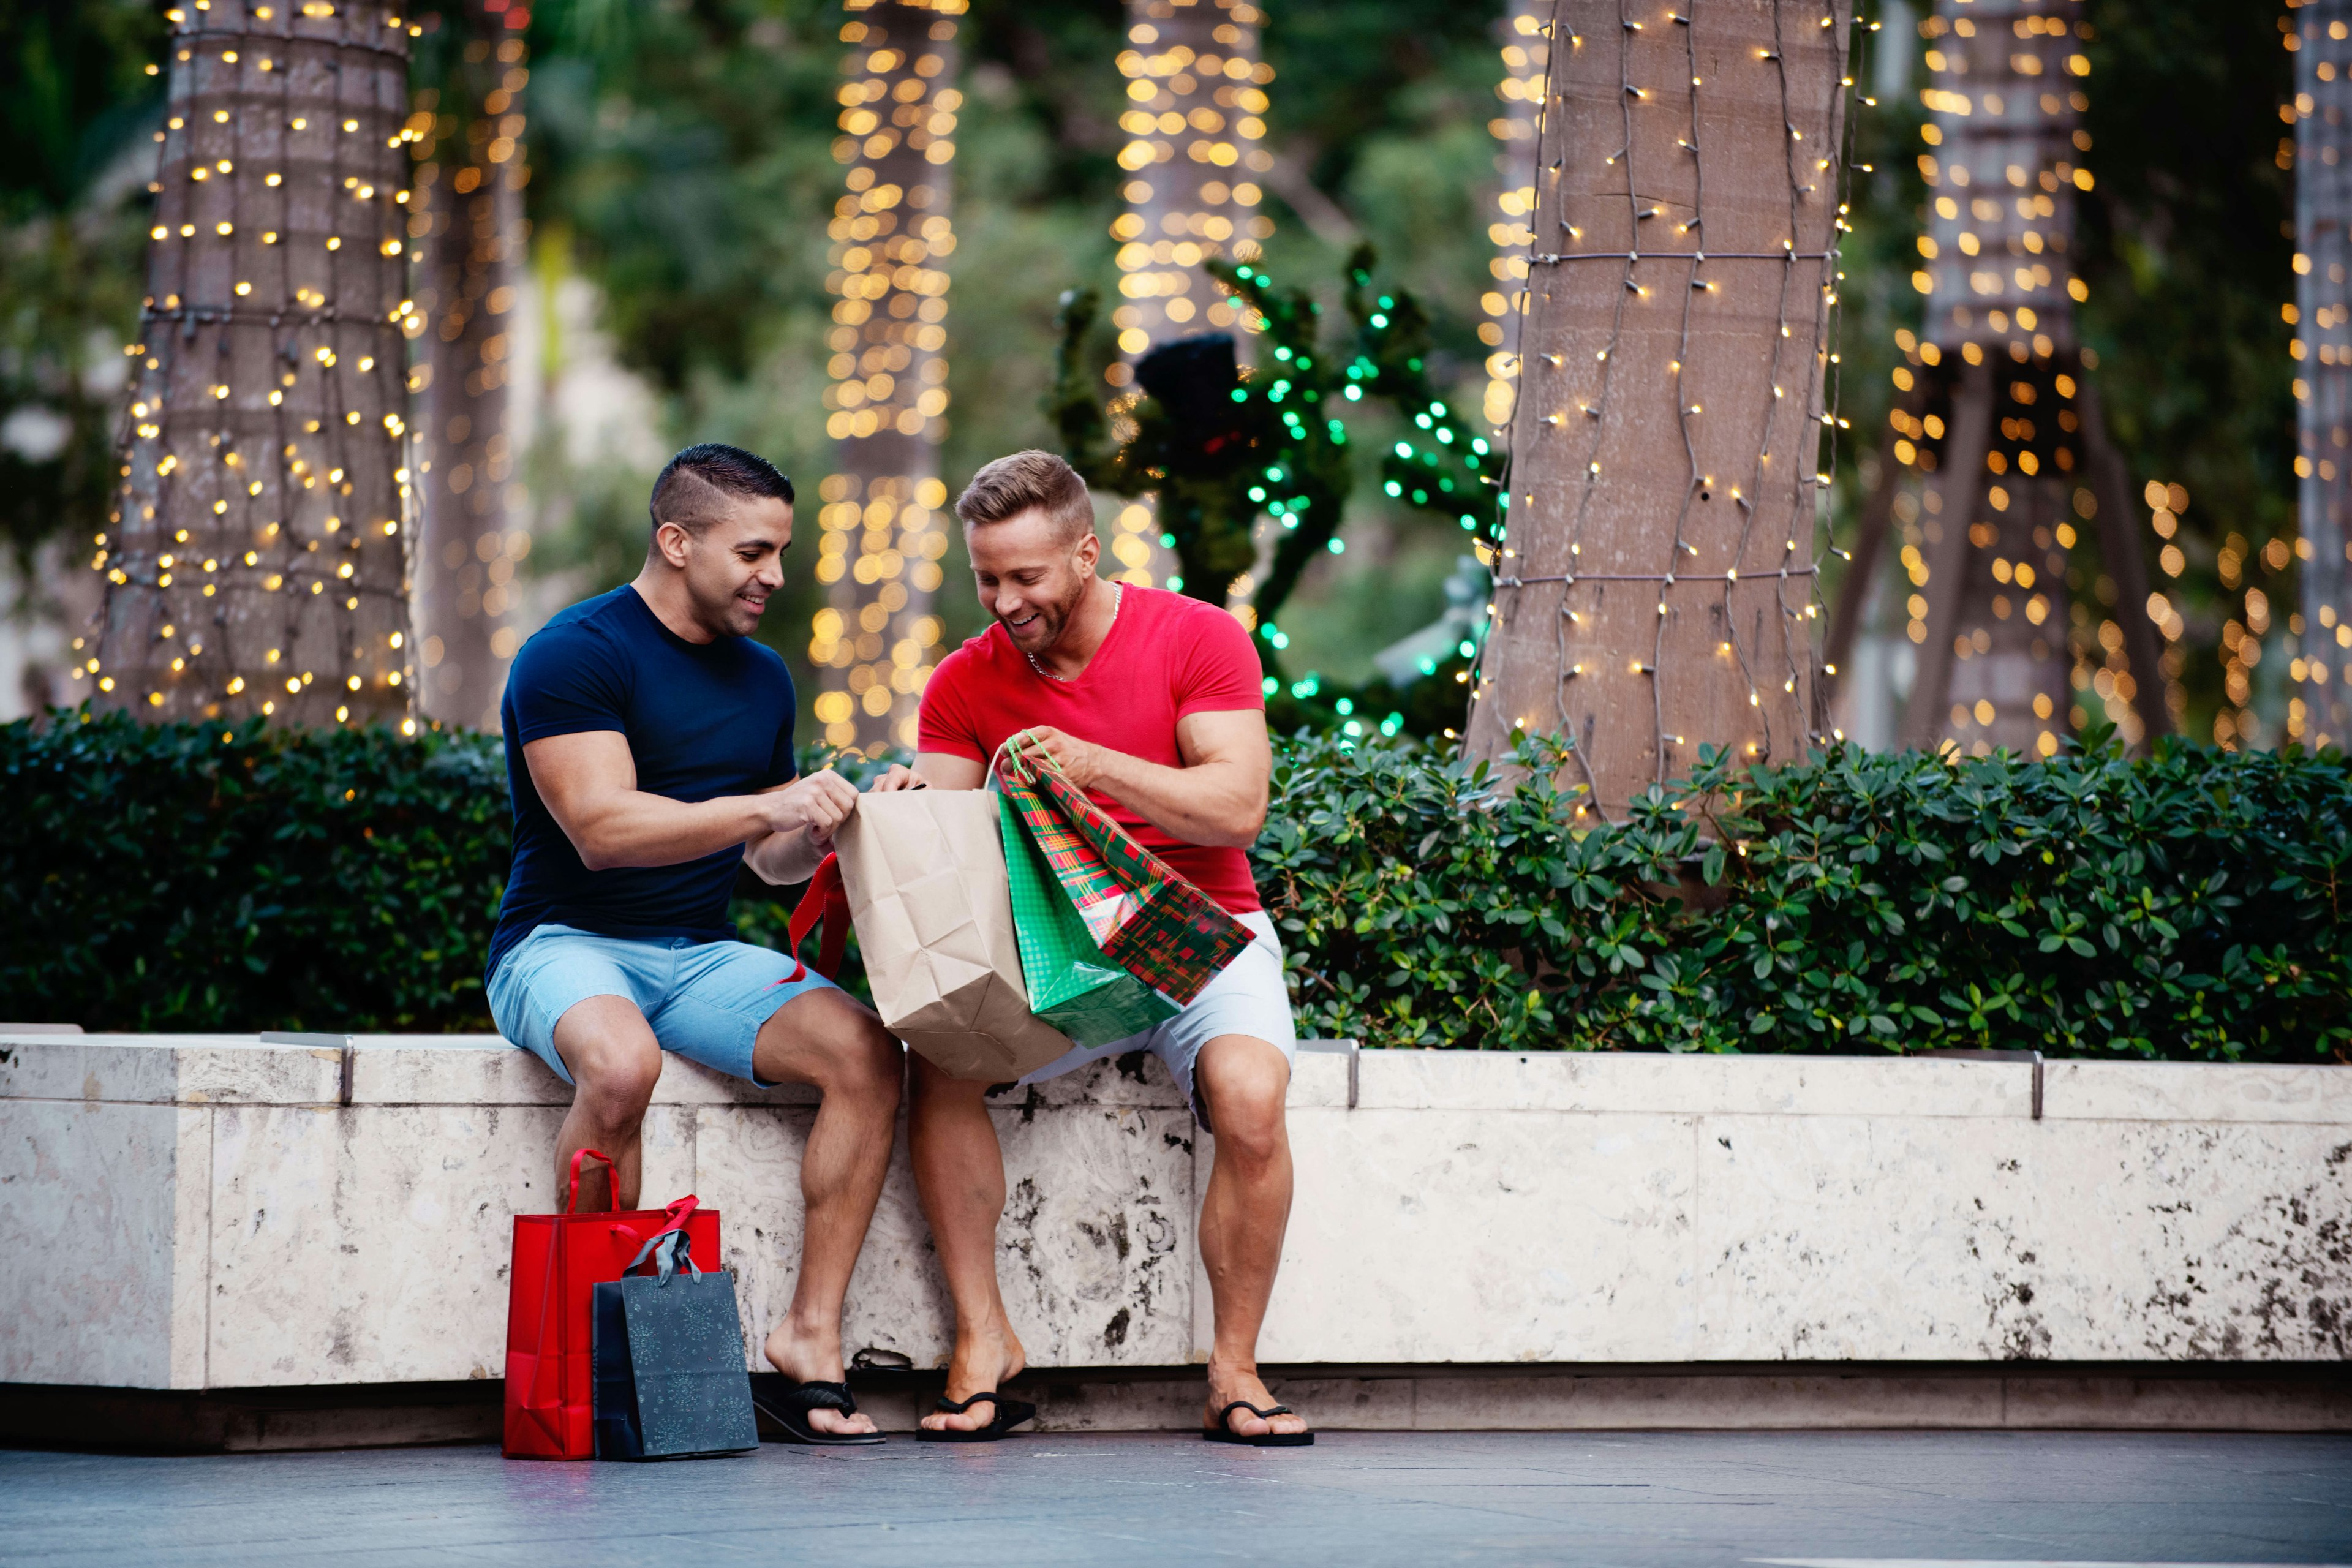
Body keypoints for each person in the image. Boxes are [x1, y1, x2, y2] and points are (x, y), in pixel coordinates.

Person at [876, 450, 1312, 1447]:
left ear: (1086, 552)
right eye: (987, 578)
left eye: (1027, 578)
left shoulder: (1197, 637)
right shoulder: (964, 680)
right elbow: (950, 844)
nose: (1004, 601)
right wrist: (906, 808)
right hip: (1054, 948)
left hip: (1200, 928)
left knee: (1250, 1100)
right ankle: (985, 1341)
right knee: (938, 1060)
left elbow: (1237, 808)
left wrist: (1092, 765)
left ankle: (1235, 1373)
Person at [484, 443, 902, 1446]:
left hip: (699, 955)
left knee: (866, 1053)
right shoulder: (574, 653)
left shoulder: (763, 677)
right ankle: (597, 1356)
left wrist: (831, 825)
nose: (775, 577)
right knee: (621, 1066)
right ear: (676, 542)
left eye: (783, 552)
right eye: (754, 552)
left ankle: (809, 1339)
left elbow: (765, 864)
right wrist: (765, 803)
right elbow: (603, 830)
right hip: (563, 939)